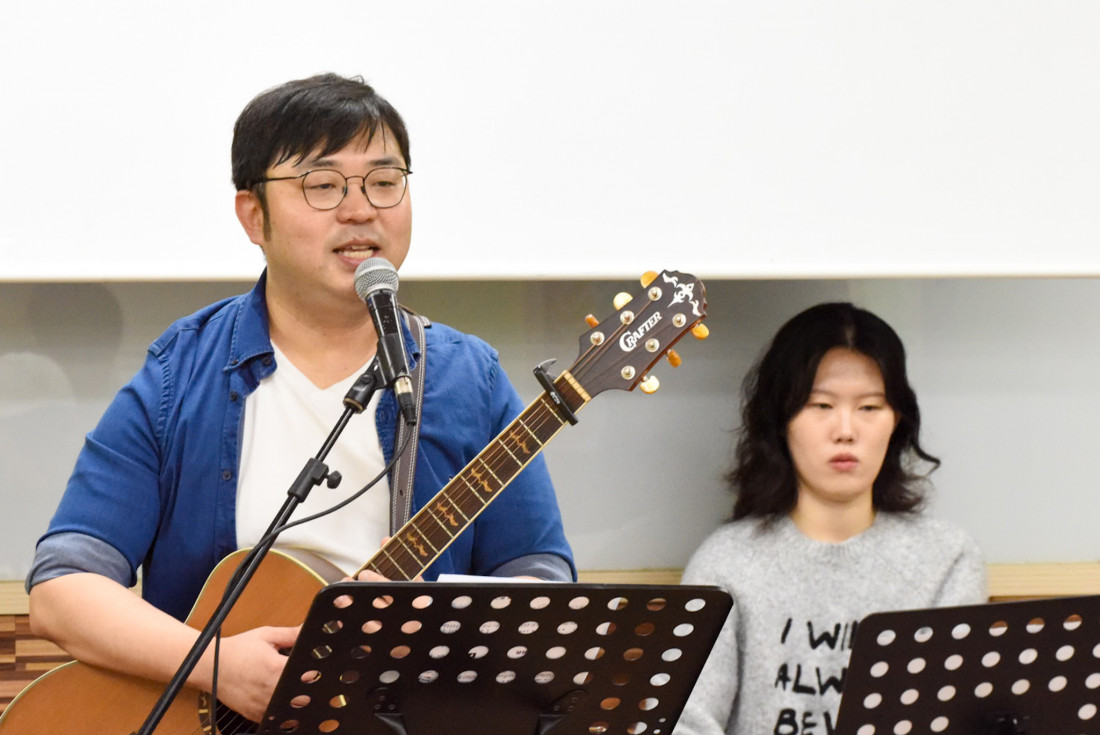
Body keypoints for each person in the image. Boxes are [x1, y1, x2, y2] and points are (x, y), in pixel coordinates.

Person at [25, 73, 574, 723]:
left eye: (384, 181)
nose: (360, 209)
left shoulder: (467, 378)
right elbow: (64, 587)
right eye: (323, 184)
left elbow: (540, 581)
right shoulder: (182, 372)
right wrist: (217, 664)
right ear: (253, 215)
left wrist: (443, 630)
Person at [674, 302, 985, 735]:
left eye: (869, 407)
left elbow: (954, 720)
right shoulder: (724, 564)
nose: (845, 430)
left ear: (897, 422)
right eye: (820, 405)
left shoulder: (947, 558)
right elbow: (687, 724)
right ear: (780, 419)